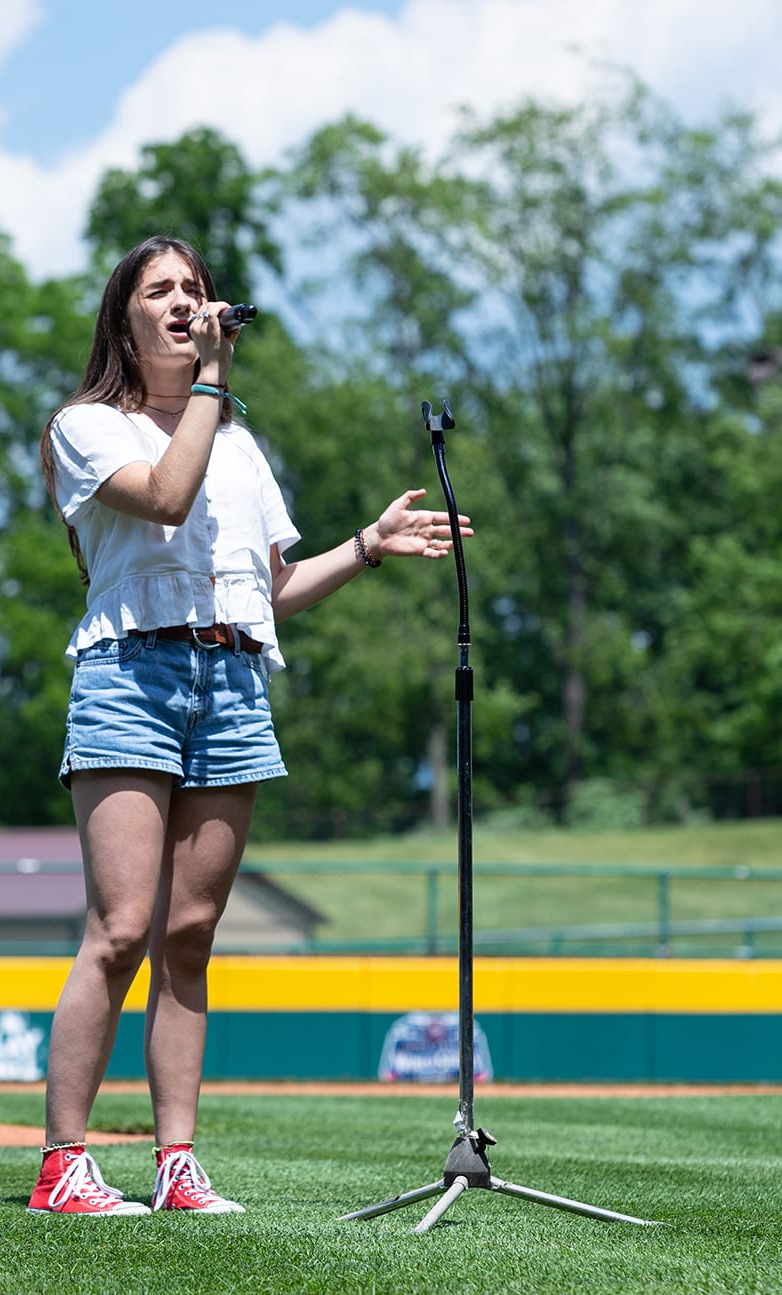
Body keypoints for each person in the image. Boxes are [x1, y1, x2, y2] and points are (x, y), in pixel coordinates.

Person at [25, 235, 474, 1218]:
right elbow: (164, 498)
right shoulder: (86, 425)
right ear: (125, 318)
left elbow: (268, 588)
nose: (185, 303)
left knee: (189, 933)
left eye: (195, 288)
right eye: (160, 291)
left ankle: (175, 1160)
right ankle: (63, 1162)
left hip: (231, 680)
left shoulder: (235, 439)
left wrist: (364, 546)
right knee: (121, 927)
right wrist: (213, 388)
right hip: (130, 675)